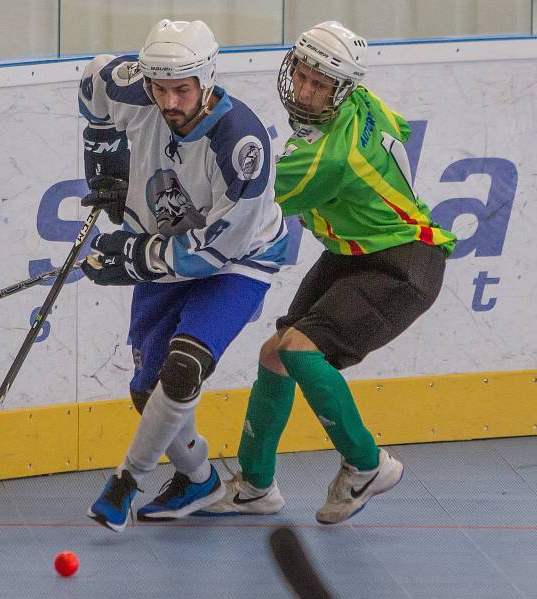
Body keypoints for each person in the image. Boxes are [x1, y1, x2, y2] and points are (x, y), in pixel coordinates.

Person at [200, 21, 457, 524]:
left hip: (403, 263)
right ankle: (255, 486)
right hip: (352, 253)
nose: (306, 90)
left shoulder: (322, 159)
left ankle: (366, 464)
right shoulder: (365, 103)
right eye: (302, 74)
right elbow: (397, 129)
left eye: (320, 85)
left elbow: (243, 203)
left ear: (342, 89)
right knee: (276, 354)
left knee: (298, 350)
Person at [77, 18, 288, 532]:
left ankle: (126, 482)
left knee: (184, 367)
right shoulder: (132, 84)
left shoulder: (242, 144)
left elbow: (214, 253)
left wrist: (130, 257)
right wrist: (103, 154)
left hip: (237, 262)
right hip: (163, 242)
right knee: (147, 392)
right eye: (160, 89)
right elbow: (93, 80)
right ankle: (199, 480)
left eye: (181, 90)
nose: (169, 102)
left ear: (207, 80)